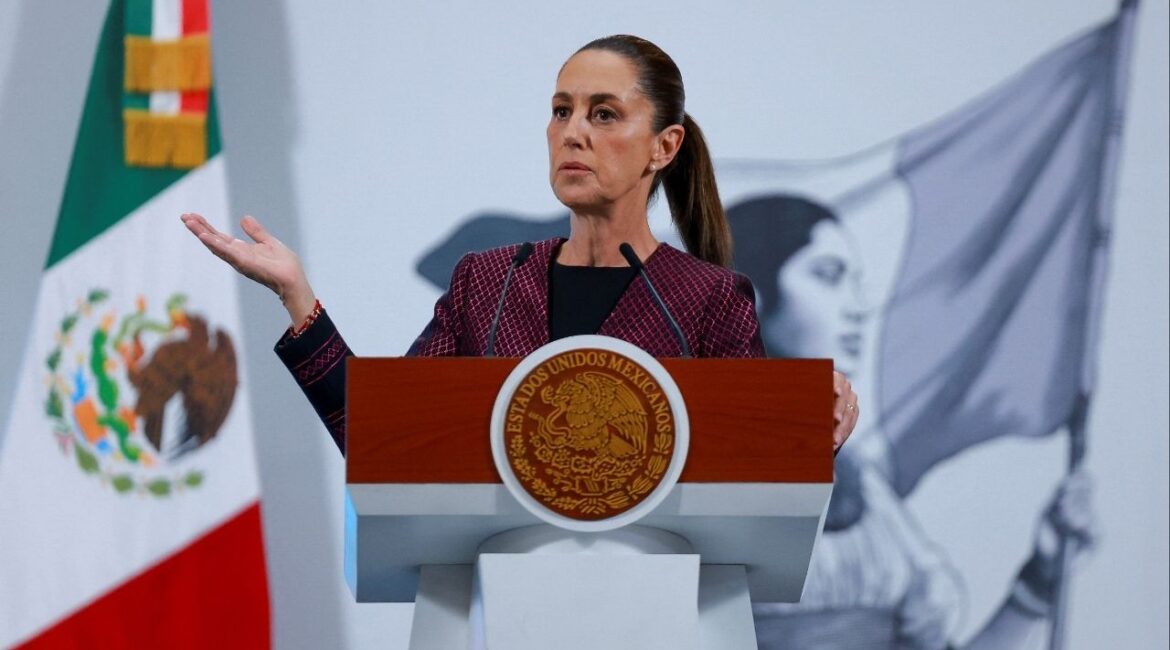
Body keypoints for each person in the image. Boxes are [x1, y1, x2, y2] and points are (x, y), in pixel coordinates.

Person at [179, 35, 860, 455]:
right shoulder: (487, 283)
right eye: (561, 110)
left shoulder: (711, 299)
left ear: (665, 145)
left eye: (603, 114)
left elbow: (757, 474)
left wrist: (816, 416)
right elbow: (381, 442)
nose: (571, 132)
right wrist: (297, 296)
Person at [728, 194, 1096, 649]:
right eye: (828, 275)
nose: (859, 307)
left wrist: (1037, 584)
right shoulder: (692, 470)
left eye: (857, 282)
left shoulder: (866, 488)